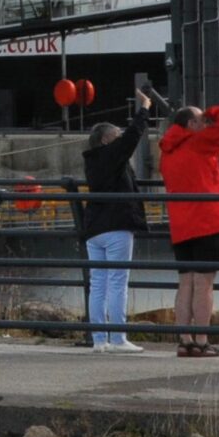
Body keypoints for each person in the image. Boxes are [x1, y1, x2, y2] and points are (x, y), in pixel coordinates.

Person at [158, 101, 219, 358]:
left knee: (186, 283)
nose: (206, 125)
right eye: (202, 121)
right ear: (192, 124)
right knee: (204, 284)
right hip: (204, 220)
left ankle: (185, 340)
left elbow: (192, 175)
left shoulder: (168, 151)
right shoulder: (198, 142)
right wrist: (212, 112)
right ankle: (202, 341)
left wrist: (218, 170)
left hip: (180, 224)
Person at [80, 117, 147, 352]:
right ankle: (118, 338)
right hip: (117, 223)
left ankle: (99, 340)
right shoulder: (112, 157)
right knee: (118, 281)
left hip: (94, 226)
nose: (120, 139)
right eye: (116, 135)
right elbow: (131, 139)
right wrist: (144, 110)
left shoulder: (92, 161)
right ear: (107, 139)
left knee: (98, 282)